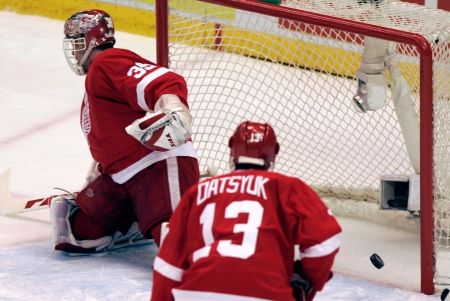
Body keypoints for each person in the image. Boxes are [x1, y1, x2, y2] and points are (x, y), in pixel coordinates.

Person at [50, 9, 199, 254]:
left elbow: (162, 80)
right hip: (122, 177)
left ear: (90, 41)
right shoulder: (96, 79)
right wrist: (101, 165)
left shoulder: (107, 62)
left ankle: (234, 261)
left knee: (177, 248)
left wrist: (173, 107)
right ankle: (141, 219)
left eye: (77, 44)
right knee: (80, 232)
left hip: (156, 165)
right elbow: (111, 131)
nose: (74, 51)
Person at [151, 121, 342, 301]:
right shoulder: (288, 188)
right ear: (273, 153)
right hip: (266, 294)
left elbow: (168, 264)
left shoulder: (198, 191)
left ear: (232, 149)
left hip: (197, 293)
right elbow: (325, 241)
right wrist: (308, 282)